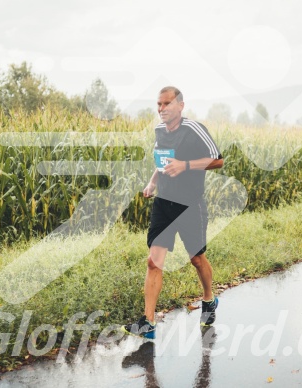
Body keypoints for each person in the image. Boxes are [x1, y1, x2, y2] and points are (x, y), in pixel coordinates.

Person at [122, 86, 223, 339]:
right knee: (153, 262)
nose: (161, 109)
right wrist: (153, 181)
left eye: (167, 104)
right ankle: (148, 323)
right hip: (164, 202)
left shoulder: (194, 130)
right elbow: (161, 159)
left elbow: (218, 160)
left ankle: (209, 299)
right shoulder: (159, 130)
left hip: (190, 205)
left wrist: (186, 165)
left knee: (196, 259)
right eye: (159, 104)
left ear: (180, 105)